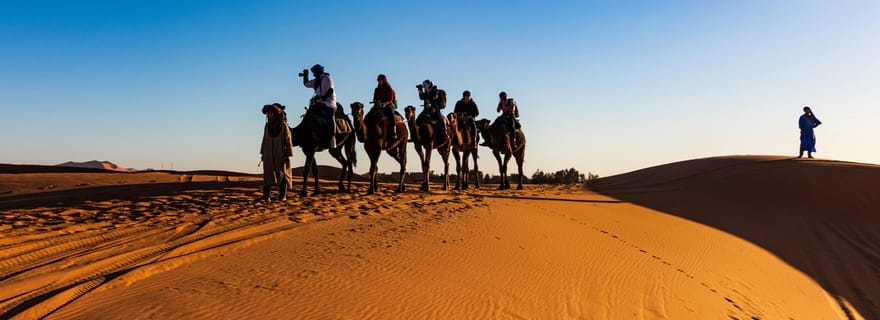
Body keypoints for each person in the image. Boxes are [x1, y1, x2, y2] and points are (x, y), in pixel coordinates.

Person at [260, 103, 293, 201]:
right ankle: (266, 196)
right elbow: (264, 139)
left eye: (270, 113)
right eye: (267, 113)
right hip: (268, 153)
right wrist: (263, 153)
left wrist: (288, 154)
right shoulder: (267, 126)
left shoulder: (283, 126)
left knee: (282, 174)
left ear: (275, 114)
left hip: (281, 153)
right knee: (268, 174)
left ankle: (283, 195)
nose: (268, 115)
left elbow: (288, 140)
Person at [300, 64, 337, 148]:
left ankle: (332, 139)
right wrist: (305, 75)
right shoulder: (316, 81)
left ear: (319, 72)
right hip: (318, 103)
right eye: (313, 73)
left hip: (329, 103)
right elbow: (306, 84)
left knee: (330, 117)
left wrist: (321, 99)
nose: (314, 74)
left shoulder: (327, 78)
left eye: (315, 72)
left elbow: (330, 91)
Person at [373, 74, 398, 140]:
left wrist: (384, 104)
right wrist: (377, 102)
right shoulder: (376, 89)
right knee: (370, 114)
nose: (378, 81)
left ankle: (394, 131)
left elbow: (390, 99)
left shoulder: (389, 88)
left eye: (380, 80)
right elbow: (374, 99)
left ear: (384, 80)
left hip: (387, 105)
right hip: (378, 105)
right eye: (378, 80)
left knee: (391, 113)